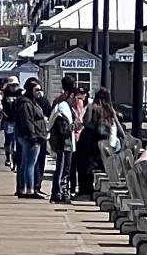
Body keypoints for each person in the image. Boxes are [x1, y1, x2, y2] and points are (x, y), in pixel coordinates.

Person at [75, 87, 118, 199]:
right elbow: (113, 128)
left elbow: (86, 121)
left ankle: (85, 190)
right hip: (102, 142)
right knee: (99, 166)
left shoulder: (91, 107)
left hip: (88, 139)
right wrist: (111, 145)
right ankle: (98, 191)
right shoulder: (110, 111)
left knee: (84, 166)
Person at [14, 79, 49, 198]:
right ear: (30, 90)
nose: (40, 92)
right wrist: (33, 138)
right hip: (31, 138)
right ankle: (30, 189)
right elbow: (28, 122)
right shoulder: (26, 104)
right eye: (37, 90)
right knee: (30, 164)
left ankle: (24, 189)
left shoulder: (33, 102)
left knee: (26, 163)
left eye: (40, 89)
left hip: (31, 136)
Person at [48, 76, 78, 204]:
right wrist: (74, 125)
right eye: (76, 97)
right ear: (70, 95)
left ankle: (61, 192)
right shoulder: (63, 107)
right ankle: (59, 193)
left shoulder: (61, 103)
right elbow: (63, 129)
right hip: (63, 144)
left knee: (65, 169)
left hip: (67, 144)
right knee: (62, 169)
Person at [1, 79, 22, 170]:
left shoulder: (20, 94)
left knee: (16, 142)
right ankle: (8, 157)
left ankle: (15, 161)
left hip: (18, 120)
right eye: (11, 85)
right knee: (8, 140)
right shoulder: (4, 94)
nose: (13, 87)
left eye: (15, 85)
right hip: (8, 120)